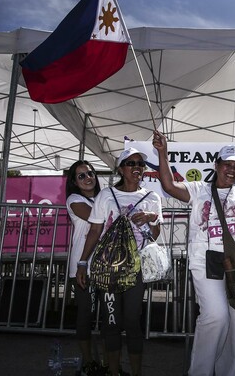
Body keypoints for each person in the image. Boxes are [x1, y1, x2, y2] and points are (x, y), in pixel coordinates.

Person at [152, 130, 235, 376]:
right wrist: (163, 154)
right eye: (227, 164)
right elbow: (169, 186)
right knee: (216, 316)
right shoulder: (198, 189)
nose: (232, 170)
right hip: (207, 259)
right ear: (216, 165)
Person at [76, 148, 163, 376]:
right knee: (111, 322)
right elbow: (95, 230)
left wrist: (151, 218)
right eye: (131, 163)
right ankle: (113, 372)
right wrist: (82, 262)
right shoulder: (106, 195)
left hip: (137, 269)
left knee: (133, 322)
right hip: (109, 270)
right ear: (121, 168)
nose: (137, 167)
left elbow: (155, 235)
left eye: (141, 164)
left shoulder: (153, 197)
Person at [66, 160, 104, 375]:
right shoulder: (74, 199)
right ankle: (88, 364)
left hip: (106, 265)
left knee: (110, 316)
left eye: (90, 173)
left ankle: (108, 364)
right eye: (81, 175)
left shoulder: (103, 197)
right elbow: (97, 218)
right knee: (85, 315)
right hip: (83, 265)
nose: (88, 177)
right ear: (74, 181)